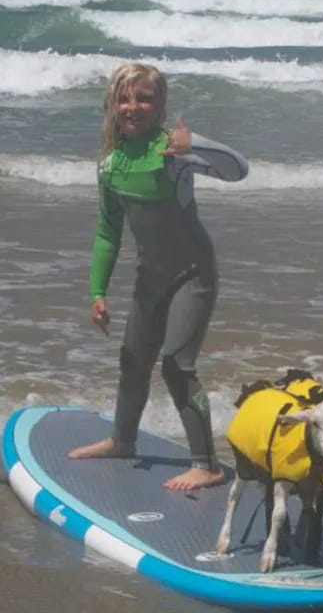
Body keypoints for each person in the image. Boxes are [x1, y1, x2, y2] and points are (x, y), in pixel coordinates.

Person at [67, 62, 249, 491]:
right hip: (150, 276)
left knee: (177, 366)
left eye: (144, 98)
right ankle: (122, 440)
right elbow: (107, 232)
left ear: (161, 104)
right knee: (133, 361)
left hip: (193, 274)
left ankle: (206, 464)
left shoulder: (173, 152)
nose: (133, 106)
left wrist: (195, 142)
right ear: (112, 104)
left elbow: (238, 170)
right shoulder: (110, 163)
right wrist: (97, 291)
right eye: (124, 98)